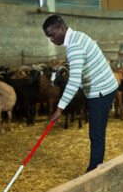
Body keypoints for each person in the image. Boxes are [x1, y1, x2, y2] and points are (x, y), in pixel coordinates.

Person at [42, 15, 118, 173]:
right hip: (101, 85)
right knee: (96, 131)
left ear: (62, 28)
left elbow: (74, 81)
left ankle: (93, 174)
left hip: (101, 90)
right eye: (49, 36)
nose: (51, 39)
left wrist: (59, 109)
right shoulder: (77, 36)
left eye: (52, 35)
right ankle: (95, 169)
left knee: (96, 133)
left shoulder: (75, 46)